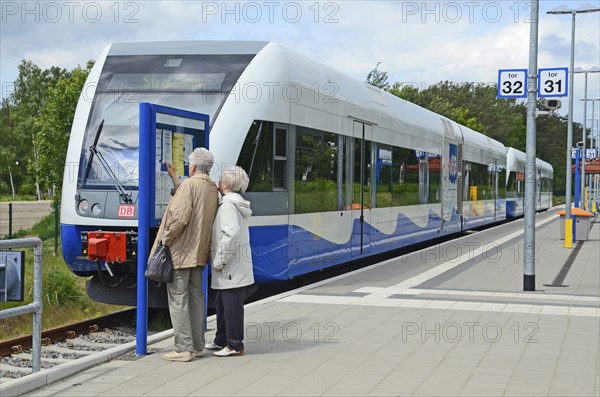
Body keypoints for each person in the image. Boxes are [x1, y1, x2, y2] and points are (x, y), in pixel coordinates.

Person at [150, 148, 218, 362]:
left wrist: (166, 239)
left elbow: (180, 217)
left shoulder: (190, 185)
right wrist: (173, 177)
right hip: (199, 252)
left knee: (178, 298)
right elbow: (192, 201)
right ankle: (197, 346)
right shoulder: (211, 187)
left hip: (181, 251)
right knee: (197, 297)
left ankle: (182, 348)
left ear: (194, 167)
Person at [206, 166, 254, 357]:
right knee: (222, 302)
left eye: (221, 179)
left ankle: (235, 345)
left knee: (231, 305)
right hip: (234, 266)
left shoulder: (227, 206)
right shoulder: (234, 203)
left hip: (230, 266)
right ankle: (221, 339)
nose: (218, 181)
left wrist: (219, 260)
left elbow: (231, 233)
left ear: (225, 184)